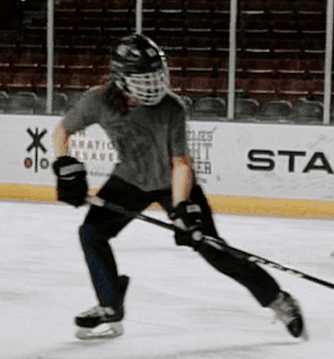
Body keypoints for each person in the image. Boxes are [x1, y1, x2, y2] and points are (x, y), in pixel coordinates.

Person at [51, 33, 307, 341]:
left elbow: (181, 163)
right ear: (121, 78)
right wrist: (66, 167)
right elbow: (62, 131)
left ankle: (278, 299)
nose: (154, 84)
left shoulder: (172, 107)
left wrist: (183, 207)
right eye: (144, 79)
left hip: (173, 183)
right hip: (130, 179)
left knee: (212, 249)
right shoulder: (97, 100)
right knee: (91, 233)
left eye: (157, 75)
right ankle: (109, 305)